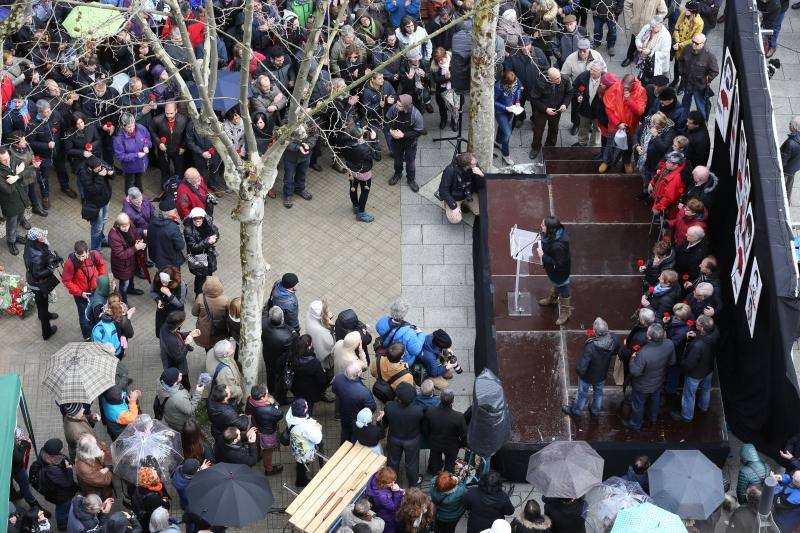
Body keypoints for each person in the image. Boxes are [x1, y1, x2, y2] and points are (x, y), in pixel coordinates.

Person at [563, 318, 620, 417]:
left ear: (595, 332)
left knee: (582, 393)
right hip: (602, 374)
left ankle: (576, 411)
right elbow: (615, 351)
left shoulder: (591, 347)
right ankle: (595, 411)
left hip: (587, 376)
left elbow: (581, 367)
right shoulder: (614, 339)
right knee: (598, 392)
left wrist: (580, 372)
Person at [624, 324, 675, 431]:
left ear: (650, 337)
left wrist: (632, 359)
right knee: (655, 401)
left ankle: (635, 425)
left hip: (642, 385)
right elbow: (672, 361)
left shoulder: (643, 353)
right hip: (658, 381)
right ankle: (653, 418)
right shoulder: (669, 344)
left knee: (638, 405)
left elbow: (635, 372)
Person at [672, 315, 718, 422]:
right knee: (706, 389)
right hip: (708, 369)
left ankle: (687, 416)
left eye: (697, 323)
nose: (694, 323)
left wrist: (681, 358)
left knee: (689, 395)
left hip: (695, 374)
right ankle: (703, 407)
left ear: (702, 328)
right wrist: (697, 335)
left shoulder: (697, 345)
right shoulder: (715, 332)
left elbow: (688, 364)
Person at [599, 73, 647, 174]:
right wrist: (617, 123)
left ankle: (627, 162)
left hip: (631, 127)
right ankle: (606, 161)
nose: (624, 89)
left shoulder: (641, 91)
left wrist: (629, 99)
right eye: (623, 86)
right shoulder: (616, 87)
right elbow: (608, 109)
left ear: (633, 84)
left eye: (627, 87)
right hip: (614, 126)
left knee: (629, 147)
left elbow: (640, 111)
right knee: (610, 144)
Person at [61, 240, 107, 340]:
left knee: (98, 311)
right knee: (84, 317)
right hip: (81, 294)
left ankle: (97, 331)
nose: (81, 259)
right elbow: (66, 281)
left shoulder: (95, 255)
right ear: (75, 253)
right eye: (78, 256)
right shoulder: (70, 263)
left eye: (83, 256)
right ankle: (87, 337)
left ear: (88, 251)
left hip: (97, 290)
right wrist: (80, 293)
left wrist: (102, 280)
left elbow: (101, 265)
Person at [24, 227, 61, 339]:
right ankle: (46, 332)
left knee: (42, 304)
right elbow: (38, 273)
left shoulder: (30, 243)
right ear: (37, 239)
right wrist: (51, 268)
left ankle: (43, 315)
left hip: (33, 280)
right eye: (42, 236)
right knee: (42, 305)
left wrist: (51, 258)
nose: (44, 237)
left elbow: (44, 252)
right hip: (38, 285)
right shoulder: (37, 256)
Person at [385, 382, 424, 487]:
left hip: (394, 438)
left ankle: (390, 482)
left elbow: (386, 422)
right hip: (412, 440)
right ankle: (413, 482)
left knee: (393, 462)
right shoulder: (418, 410)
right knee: (411, 463)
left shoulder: (389, 406)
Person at [384, 94, 425, 192]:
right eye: (397, 104)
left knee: (410, 162)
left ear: (406, 106)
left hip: (410, 143)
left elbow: (419, 132)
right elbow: (386, 121)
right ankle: (397, 174)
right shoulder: (394, 108)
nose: (397, 107)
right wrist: (390, 131)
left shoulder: (416, 115)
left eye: (400, 106)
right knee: (397, 159)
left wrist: (403, 135)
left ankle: (411, 179)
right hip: (396, 141)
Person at [529, 68, 572, 160]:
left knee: (554, 129)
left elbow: (569, 93)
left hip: (557, 109)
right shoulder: (540, 83)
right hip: (542, 111)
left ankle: (550, 146)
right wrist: (545, 109)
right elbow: (533, 98)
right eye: (556, 79)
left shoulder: (564, 79)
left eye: (559, 77)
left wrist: (565, 104)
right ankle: (535, 148)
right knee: (538, 130)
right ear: (549, 78)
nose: (559, 80)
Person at [537, 216, 572, 326]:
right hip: (555, 271)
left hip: (559, 272)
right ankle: (552, 299)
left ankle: (566, 312)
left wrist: (543, 256)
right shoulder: (553, 234)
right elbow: (548, 240)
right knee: (557, 284)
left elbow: (558, 262)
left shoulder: (558, 246)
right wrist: (541, 238)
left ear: (550, 228)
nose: (541, 226)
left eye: (543, 225)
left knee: (563, 288)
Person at [38, 438, 79, 531]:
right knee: (62, 510)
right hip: (61, 496)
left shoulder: (44, 453)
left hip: (56, 491)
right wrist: (68, 469)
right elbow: (67, 483)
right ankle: (62, 525)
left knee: (62, 508)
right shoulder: (53, 470)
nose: (61, 451)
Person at [423, 389, 466, 475]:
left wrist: (429, 438)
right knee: (450, 465)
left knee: (434, 461)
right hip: (452, 446)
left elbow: (424, 429)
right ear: (452, 401)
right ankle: (447, 480)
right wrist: (460, 444)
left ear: (440, 398)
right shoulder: (459, 417)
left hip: (435, 443)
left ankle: (434, 473)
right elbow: (464, 435)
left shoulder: (430, 412)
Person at [332, 362, 377, 443]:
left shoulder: (338, 378)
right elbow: (372, 407)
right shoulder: (363, 392)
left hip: (344, 414)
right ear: (359, 373)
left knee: (345, 432)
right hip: (356, 419)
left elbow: (334, 390)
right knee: (355, 436)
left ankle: (343, 449)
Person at [244, 384, 284, 475]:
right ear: (262, 397)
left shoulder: (250, 399)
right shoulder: (269, 409)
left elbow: (247, 412)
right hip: (267, 433)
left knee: (257, 443)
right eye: (267, 393)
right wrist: (274, 403)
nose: (268, 394)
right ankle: (269, 469)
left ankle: (258, 455)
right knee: (268, 451)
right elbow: (280, 414)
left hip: (255, 428)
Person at [676, 33, 718, 119]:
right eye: (693, 41)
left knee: (700, 106)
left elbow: (715, 71)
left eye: (697, 43)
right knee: (685, 103)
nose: (693, 44)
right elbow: (680, 61)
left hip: (699, 86)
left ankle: (702, 125)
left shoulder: (709, 56)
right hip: (687, 83)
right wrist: (681, 72)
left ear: (703, 43)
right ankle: (683, 121)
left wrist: (705, 80)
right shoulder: (687, 48)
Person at [0, 146, 32, 255]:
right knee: (11, 224)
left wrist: (16, 177)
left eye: (7, 158)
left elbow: (26, 169)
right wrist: (17, 175)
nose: (7, 161)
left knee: (19, 219)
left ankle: (15, 235)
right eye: (4, 160)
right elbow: (8, 190)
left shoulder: (11, 158)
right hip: (9, 203)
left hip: (20, 198)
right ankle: (11, 241)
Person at [108, 213, 146, 304]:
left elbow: (135, 233)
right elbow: (121, 254)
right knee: (124, 284)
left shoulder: (130, 224)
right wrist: (135, 248)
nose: (126, 228)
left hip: (131, 260)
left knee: (131, 277)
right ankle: (123, 301)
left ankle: (131, 289)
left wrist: (139, 241)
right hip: (122, 265)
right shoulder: (113, 236)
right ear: (118, 225)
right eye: (123, 226)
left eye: (127, 225)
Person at [375, 298, 426, 365]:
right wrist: (421, 334)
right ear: (404, 314)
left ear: (391, 310)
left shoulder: (382, 321)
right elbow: (415, 351)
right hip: (403, 360)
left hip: (386, 352)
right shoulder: (409, 333)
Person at [286, 397, 323, 487]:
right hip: (305, 450)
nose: (307, 405)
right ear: (304, 411)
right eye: (306, 406)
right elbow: (317, 439)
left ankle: (301, 472)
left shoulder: (290, 416)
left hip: (296, 445)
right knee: (303, 463)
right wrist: (318, 428)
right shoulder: (306, 426)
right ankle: (301, 481)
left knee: (300, 462)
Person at [438, 152, 485, 224]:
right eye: (473, 164)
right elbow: (443, 190)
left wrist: (481, 176)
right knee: (455, 219)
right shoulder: (450, 170)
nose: (476, 164)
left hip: (469, 193)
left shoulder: (475, 167)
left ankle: (465, 204)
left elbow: (481, 186)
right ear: (466, 166)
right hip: (455, 197)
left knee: (480, 210)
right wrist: (453, 206)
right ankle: (447, 204)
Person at [159, 311, 200, 390]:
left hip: (169, 359)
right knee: (185, 385)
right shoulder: (171, 341)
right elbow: (179, 358)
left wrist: (189, 333)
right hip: (176, 367)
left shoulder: (166, 326)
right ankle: (186, 397)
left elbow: (177, 334)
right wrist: (187, 344)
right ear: (179, 324)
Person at [262, 305, 295, 404]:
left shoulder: (262, 324)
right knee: (281, 379)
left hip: (268, 356)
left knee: (270, 374)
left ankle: (271, 391)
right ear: (282, 318)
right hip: (281, 361)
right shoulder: (288, 335)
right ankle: (280, 398)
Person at [183, 207, 220, 295]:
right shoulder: (188, 230)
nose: (198, 220)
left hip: (208, 253)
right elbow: (193, 247)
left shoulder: (207, 224)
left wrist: (214, 237)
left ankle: (208, 291)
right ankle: (198, 295)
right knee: (200, 276)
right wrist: (207, 241)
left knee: (209, 273)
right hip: (197, 256)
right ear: (192, 218)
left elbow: (216, 234)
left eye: (200, 218)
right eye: (195, 218)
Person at [150, 101, 187, 185]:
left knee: (179, 170)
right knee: (164, 169)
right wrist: (159, 142)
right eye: (167, 113)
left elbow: (186, 135)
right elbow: (152, 131)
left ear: (176, 110)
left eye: (171, 113)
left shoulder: (183, 120)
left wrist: (183, 146)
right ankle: (166, 186)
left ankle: (179, 186)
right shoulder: (157, 120)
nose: (169, 116)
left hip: (178, 150)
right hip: (163, 151)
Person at [290, 334, 329, 414]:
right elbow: (322, 380)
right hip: (310, 392)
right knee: (308, 409)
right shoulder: (314, 363)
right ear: (309, 346)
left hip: (296, 388)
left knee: (297, 401)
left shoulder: (292, 357)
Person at [157, 367, 205, 432]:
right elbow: (190, 410)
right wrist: (198, 392)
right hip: (180, 424)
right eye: (178, 375)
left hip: (171, 418)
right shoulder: (178, 397)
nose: (181, 374)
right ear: (174, 382)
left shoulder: (162, 383)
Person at [113, 113, 152, 192]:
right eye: (129, 127)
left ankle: (140, 195)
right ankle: (129, 199)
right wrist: (136, 155)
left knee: (138, 179)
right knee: (130, 183)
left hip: (142, 164)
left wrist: (146, 145)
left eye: (133, 125)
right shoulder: (118, 140)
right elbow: (120, 156)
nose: (132, 128)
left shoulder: (141, 128)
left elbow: (147, 138)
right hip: (130, 167)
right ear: (123, 126)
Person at [571, 59, 606, 147]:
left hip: (599, 112)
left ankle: (593, 146)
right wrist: (578, 95)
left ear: (601, 71)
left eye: (594, 71)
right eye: (591, 69)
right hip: (585, 109)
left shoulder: (605, 80)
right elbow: (575, 87)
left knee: (597, 130)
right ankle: (582, 143)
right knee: (583, 127)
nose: (591, 72)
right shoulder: (583, 76)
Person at [147, 198, 185, 270]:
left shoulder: (152, 221)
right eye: (173, 209)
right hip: (171, 260)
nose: (175, 210)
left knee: (163, 276)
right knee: (174, 277)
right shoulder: (172, 227)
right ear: (167, 212)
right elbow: (180, 245)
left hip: (158, 258)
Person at [150, 266, 188, 337]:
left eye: (166, 282)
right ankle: (163, 343)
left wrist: (169, 294)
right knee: (159, 332)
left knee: (174, 332)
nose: (163, 284)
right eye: (162, 281)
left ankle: (177, 342)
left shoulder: (181, 285)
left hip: (175, 312)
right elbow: (152, 292)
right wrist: (158, 300)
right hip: (162, 310)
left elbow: (180, 303)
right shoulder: (157, 279)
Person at [74, 434, 113, 501]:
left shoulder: (90, 447)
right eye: (95, 446)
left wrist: (104, 458)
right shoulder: (84, 468)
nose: (97, 445)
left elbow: (104, 448)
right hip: (97, 493)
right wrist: (107, 468)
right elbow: (105, 481)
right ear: (89, 451)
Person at [494, 70, 521, 166]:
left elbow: (518, 90)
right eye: (511, 84)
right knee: (507, 133)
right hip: (501, 112)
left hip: (512, 109)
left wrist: (517, 101)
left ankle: (497, 141)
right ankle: (505, 155)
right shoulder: (498, 87)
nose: (514, 84)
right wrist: (505, 108)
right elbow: (493, 102)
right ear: (506, 83)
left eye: (514, 82)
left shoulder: (515, 80)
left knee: (502, 127)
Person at [649, 151, 687, 218]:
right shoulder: (668, 167)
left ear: (676, 165)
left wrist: (658, 207)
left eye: (669, 162)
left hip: (667, 209)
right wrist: (651, 183)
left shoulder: (677, 179)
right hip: (659, 200)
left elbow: (669, 197)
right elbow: (658, 175)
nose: (666, 162)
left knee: (666, 224)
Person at [206, 339, 244, 406]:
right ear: (225, 354)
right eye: (231, 348)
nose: (233, 348)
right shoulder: (225, 372)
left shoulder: (211, 351)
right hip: (227, 400)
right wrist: (239, 391)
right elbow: (228, 390)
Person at [366, 467, 405, 533]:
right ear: (383, 483)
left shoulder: (379, 477)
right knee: (390, 529)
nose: (393, 484)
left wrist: (399, 490)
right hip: (387, 516)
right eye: (391, 483)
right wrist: (397, 492)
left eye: (394, 481)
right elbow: (393, 507)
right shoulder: (381, 496)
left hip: (383, 510)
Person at [307, 299, 336, 372]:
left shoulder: (310, 315)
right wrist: (332, 327)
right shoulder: (322, 332)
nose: (328, 312)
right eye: (326, 312)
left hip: (313, 344)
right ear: (321, 315)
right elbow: (331, 345)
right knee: (328, 369)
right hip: (324, 357)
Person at [781, 116, 800, 193]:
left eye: (790, 124)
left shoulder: (791, 143)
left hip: (786, 170)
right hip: (794, 168)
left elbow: (783, 161)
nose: (789, 125)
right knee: (788, 188)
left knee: (783, 190)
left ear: (794, 127)